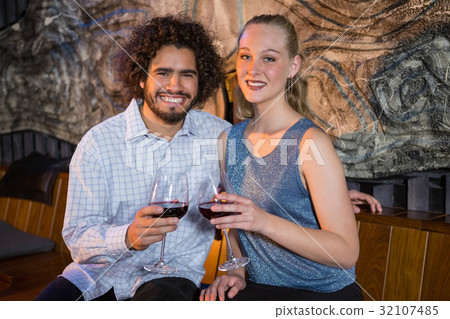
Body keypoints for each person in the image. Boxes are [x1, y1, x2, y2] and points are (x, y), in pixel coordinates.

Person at [35, 15, 230, 301]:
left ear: (200, 82)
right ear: (140, 78)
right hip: (95, 277)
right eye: (162, 73)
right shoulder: (98, 143)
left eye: (187, 74)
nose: (175, 86)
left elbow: (243, 210)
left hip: (171, 277)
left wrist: (234, 271)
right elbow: (77, 238)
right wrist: (128, 237)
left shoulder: (220, 135)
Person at [200, 14, 371, 301]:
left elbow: (345, 253)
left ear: (293, 66)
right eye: (246, 56)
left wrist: (262, 221)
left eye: (269, 58)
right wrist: (236, 270)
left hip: (319, 294)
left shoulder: (310, 141)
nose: (253, 69)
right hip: (258, 289)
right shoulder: (227, 141)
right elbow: (232, 222)